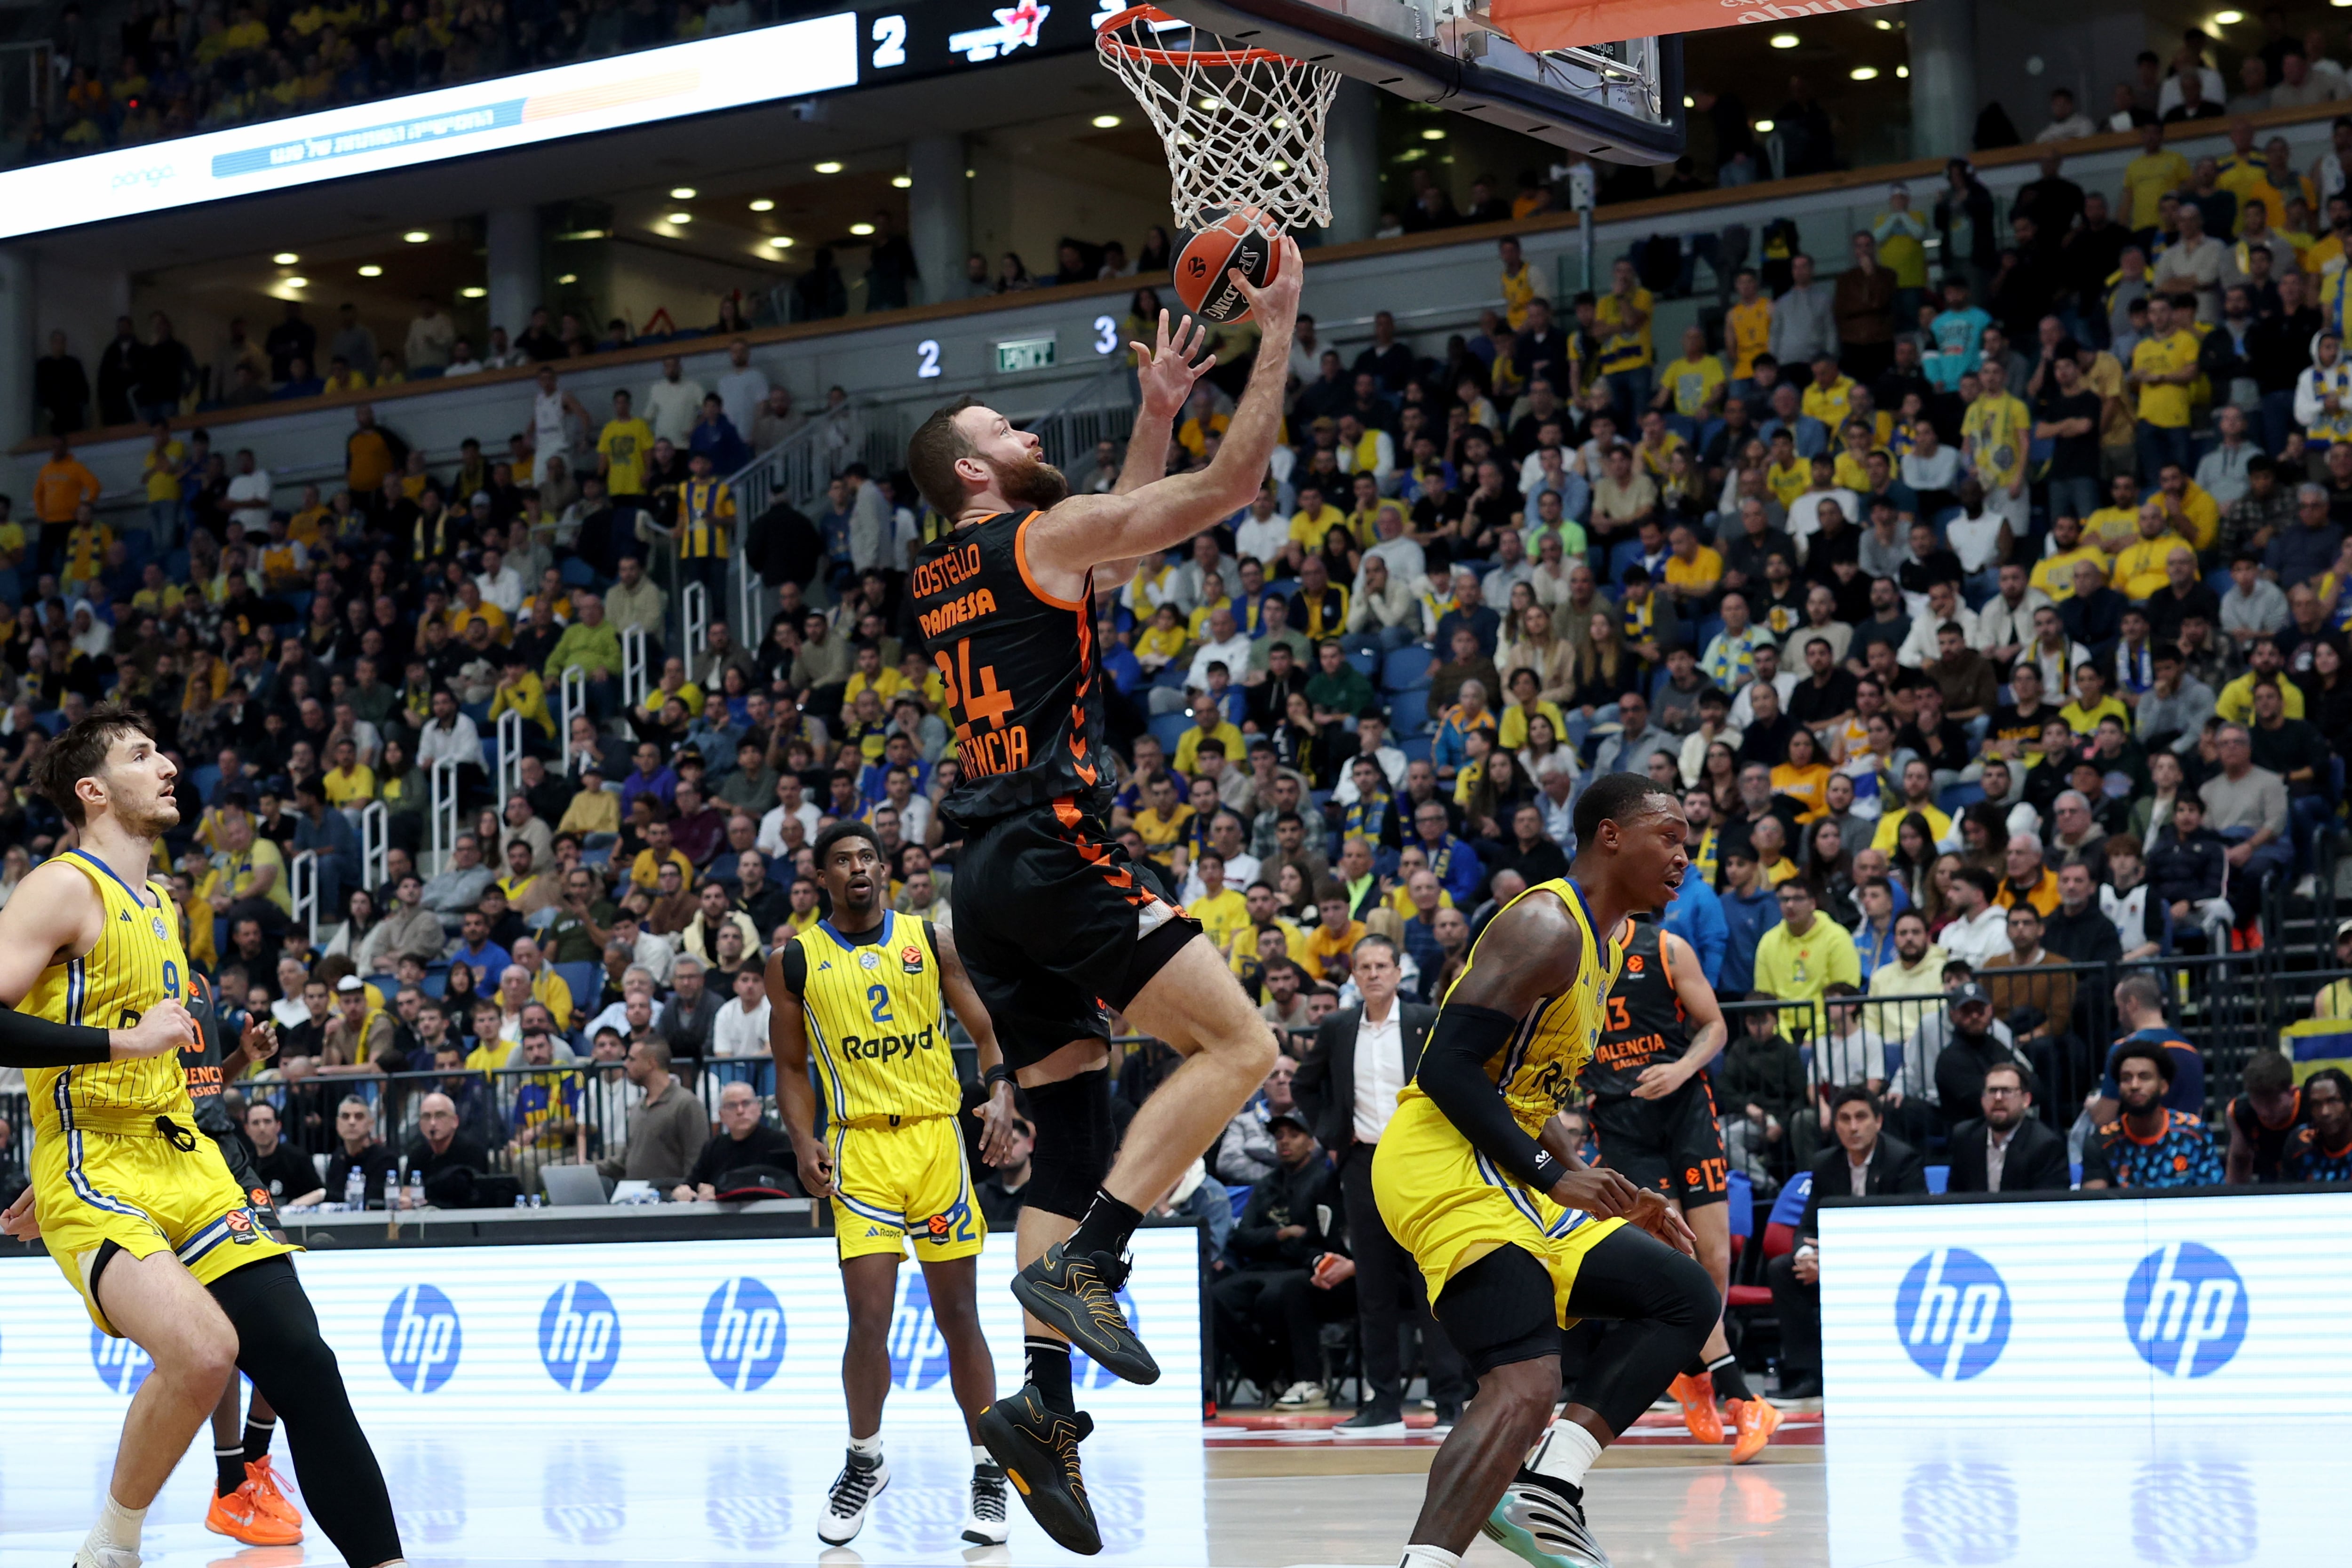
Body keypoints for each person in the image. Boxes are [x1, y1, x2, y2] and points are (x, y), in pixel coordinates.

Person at [902, 278, 1301, 1548]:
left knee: (1069, 1138)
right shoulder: (1037, 534)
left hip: (980, 881)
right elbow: (1228, 490)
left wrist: (1159, 409)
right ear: (975, 469)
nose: (1029, 432)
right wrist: (1276, 334)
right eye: (1006, 428)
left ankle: (1042, 1407)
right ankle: (1095, 1262)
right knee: (1240, 1044)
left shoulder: (945, 569)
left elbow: (1109, 549)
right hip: (1051, 850)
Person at [0, 705, 409, 1568]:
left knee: (303, 1360)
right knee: (204, 1349)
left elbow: (160, 1062)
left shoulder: (160, 903)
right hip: (98, 1165)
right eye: (141, 754)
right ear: (93, 790)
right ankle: (112, 1545)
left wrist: (162, 1063)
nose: (168, 765)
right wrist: (109, 1067)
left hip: (186, 1156)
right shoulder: (61, 886)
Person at [1374, 773, 1714, 1568]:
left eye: (1688, 843)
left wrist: (1596, 1182)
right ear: (1610, 835)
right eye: (1669, 836)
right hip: (1442, 1158)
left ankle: (1552, 1485)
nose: (1683, 856)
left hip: (1508, 1165)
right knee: (1524, 1381)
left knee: (1683, 1292)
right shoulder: (1544, 923)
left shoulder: (1611, 943)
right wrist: (1554, 1177)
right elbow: (1447, 1068)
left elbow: (1529, 1091)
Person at [767, 821, 1016, 1547]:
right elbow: (790, 1067)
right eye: (843, 860)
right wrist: (801, 1139)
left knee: (959, 1315)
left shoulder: (930, 940)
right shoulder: (795, 960)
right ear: (821, 877)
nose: (858, 868)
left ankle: (988, 1470)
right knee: (868, 1318)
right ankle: (864, 1459)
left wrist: (1001, 1090)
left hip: (936, 1141)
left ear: (884, 870)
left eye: (868, 857)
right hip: (861, 1149)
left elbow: (986, 1030)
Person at [1582, 917, 1780, 1463]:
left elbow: (1714, 1026)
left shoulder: (1666, 948)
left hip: (1686, 1108)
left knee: (1714, 1259)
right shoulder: (1566, 955)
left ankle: (1692, 1372)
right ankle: (1740, 1397)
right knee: (1678, 1257)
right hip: (1619, 1121)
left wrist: (1681, 1068)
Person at [1291, 933, 1466, 1433]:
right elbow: (1304, 1084)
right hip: (1362, 1163)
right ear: (1354, 975)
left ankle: (1449, 1402)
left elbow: (1459, 1077)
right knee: (1372, 1288)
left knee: (1431, 1281)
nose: (1373, 974)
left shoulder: (1424, 1021)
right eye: (1364, 967)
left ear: (1397, 971)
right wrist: (1331, 1132)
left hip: (1420, 1165)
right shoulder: (1338, 1027)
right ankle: (1383, 1404)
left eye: (1381, 966)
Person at [178, 970, 303, 1544]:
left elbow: (203, 1086)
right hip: (180, 1160)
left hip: (228, 1151)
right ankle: (231, 1484)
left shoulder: (199, 984)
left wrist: (242, 1058)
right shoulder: (131, 972)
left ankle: (253, 1464)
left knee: (290, 1317)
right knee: (222, 1325)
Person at [1764, 1087, 1926, 1398]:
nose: (1854, 1127)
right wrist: (1807, 1254)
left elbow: (1908, 1233)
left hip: (1891, 1264)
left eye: (1861, 1117)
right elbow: (1807, 1226)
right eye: (1845, 1119)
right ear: (1835, 1125)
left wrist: (1834, 1264)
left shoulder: (1902, 1160)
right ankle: (1810, 1374)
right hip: (1836, 1261)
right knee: (1784, 1269)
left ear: (1879, 1121)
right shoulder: (1825, 1163)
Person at [2080, 1043, 2223, 1188]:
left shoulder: (2195, 1133)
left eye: (2144, 1077)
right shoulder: (2102, 1141)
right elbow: (2094, 1199)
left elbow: (2214, 1196)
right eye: (2126, 1078)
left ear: (2163, 1087)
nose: (2134, 1085)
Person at [1942, 1060, 2069, 1192]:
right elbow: (1955, 1196)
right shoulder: (1965, 1137)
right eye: (1992, 1091)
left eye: (2007, 1091)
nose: (1998, 1098)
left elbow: (2047, 1201)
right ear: (1983, 1100)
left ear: (2026, 1100)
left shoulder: (2045, 1145)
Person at [674, 1079, 800, 1201]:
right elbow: (693, 1184)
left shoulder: (780, 1143)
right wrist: (683, 1191)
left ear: (759, 1108)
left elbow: (791, 1186)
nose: (740, 1111)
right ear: (721, 1115)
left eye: (746, 1103)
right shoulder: (713, 1148)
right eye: (732, 1106)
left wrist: (718, 1191)